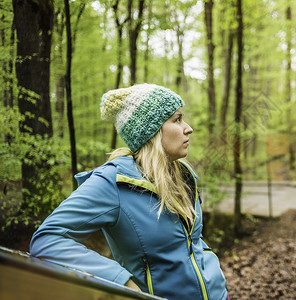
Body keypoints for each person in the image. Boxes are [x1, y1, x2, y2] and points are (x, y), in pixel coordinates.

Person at [30, 84, 228, 300]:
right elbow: (47, 240)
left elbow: (192, 241)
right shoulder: (112, 182)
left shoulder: (183, 174)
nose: (188, 128)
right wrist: (120, 281)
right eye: (177, 119)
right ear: (151, 130)